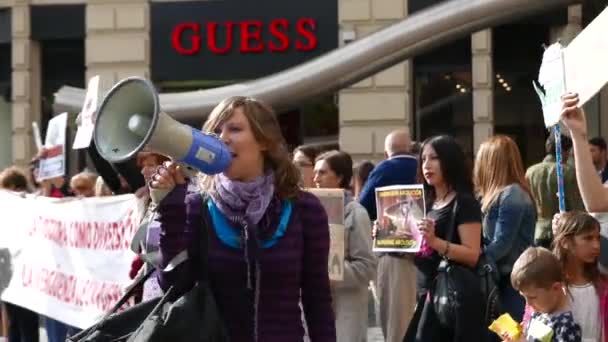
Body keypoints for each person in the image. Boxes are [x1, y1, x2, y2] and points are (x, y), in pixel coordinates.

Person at [151, 96, 336, 341]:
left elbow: (318, 299)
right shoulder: (198, 207)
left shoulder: (305, 210)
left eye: (235, 129)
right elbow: (173, 287)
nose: (223, 138)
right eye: (216, 131)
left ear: (264, 141)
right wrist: (171, 210)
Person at [404, 135, 484, 342]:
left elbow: (472, 254)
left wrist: (435, 242)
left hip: (453, 296)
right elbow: (419, 251)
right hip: (426, 293)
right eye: (423, 159)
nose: (426, 165)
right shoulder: (426, 203)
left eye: (434, 158)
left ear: (449, 161)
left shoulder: (464, 202)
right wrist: (388, 238)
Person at [357, 128, 418, 342]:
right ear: (411, 148)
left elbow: (361, 208)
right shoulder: (423, 166)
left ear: (386, 153)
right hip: (427, 251)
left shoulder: (385, 168)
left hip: (394, 252)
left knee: (395, 326)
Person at [313, 150, 376, 342]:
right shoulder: (310, 212)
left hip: (345, 312)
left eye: (322, 173)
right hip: (316, 309)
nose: (315, 178)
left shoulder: (356, 214)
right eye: (315, 172)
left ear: (340, 177)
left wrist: (330, 271)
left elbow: (366, 267)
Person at [474, 135, 536, 322]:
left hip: (512, 281)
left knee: (512, 332)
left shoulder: (512, 194)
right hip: (501, 279)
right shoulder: (496, 195)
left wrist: (472, 258)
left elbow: (502, 243)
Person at [505, 247, 582, 342]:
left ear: (556, 288)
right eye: (524, 297)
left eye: (532, 297)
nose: (528, 303)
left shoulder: (567, 325)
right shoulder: (538, 315)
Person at [552, 211, 607, 342]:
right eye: (588, 238)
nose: (596, 245)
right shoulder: (552, 286)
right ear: (565, 242)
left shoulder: (603, 285)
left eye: (598, 238)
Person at [0, 167, 40, 342]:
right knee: (13, 322)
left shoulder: (32, 204)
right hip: (9, 274)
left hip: (27, 274)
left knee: (27, 322)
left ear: (16, 187)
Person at [525, 133, 584, 248]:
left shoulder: (530, 172)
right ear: (564, 151)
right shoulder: (568, 172)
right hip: (563, 231)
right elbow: (576, 206)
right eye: (569, 151)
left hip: (538, 231)